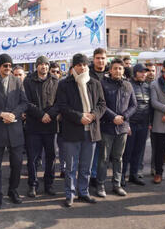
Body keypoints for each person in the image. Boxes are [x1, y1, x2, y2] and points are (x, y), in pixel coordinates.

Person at [56, 53, 106, 207]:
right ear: (74, 66)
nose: (82, 67)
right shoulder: (65, 84)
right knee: (71, 166)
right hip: (72, 131)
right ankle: (70, 194)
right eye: (79, 64)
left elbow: (102, 104)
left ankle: (83, 192)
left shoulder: (94, 83)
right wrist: (79, 117)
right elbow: (62, 107)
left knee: (86, 166)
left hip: (91, 130)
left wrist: (93, 115)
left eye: (84, 64)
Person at [0, 54, 28, 210]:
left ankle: (13, 191)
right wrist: (1, 114)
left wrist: (13, 114)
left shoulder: (17, 82)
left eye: (10, 65)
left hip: (15, 130)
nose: (8, 68)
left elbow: (24, 103)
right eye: (5, 66)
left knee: (16, 164)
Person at [96, 58, 137, 197]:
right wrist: (113, 116)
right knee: (104, 158)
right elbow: (101, 104)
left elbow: (133, 105)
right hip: (107, 127)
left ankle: (117, 184)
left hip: (122, 128)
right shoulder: (103, 84)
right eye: (115, 68)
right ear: (110, 70)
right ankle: (100, 185)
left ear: (123, 70)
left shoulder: (128, 85)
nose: (118, 71)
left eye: (120, 68)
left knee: (118, 158)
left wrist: (124, 117)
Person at [23, 56, 59, 197]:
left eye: (46, 64)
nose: (43, 67)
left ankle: (49, 185)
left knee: (51, 157)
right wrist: (40, 115)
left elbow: (59, 102)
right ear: (37, 66)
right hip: (34, 126)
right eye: (41, 64)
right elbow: (26, 102)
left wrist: (49, 114)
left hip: (51, 125)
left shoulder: (56, 81)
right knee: (32, 158)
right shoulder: (28, 81)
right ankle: (32, 185)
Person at [121, 64, 150, 187]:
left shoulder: (147, 86)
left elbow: (150, 105)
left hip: (143, 124)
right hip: (131, 124)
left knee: (138, 152)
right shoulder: (128, 85)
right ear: (135, 73)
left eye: (145, 72)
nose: (144, 74)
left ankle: (134, 175)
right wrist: (126, 124)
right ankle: (121, 177)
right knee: (127, 152)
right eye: (141, 72)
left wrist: (150, 123)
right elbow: (124, 106)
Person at [88, 48, 109, 188]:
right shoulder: (87, 74)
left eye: (103, 58)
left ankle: (99, 175)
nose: (100, 61)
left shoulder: (111, 73)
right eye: (98, 58)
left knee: (104, 151)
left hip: (108, 117)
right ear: (93, 59)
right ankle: (91, 175)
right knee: (91, 150)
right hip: (92, 116)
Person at [145, 62, 156, 175]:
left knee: (156, 147)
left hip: (156, 120)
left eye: (153, 71)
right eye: (148, 70)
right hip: (143, 120)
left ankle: (154, 169)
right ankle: (137, 169)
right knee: (140, 146)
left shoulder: (158, 84)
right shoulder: (141, 85)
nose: (151, 73)